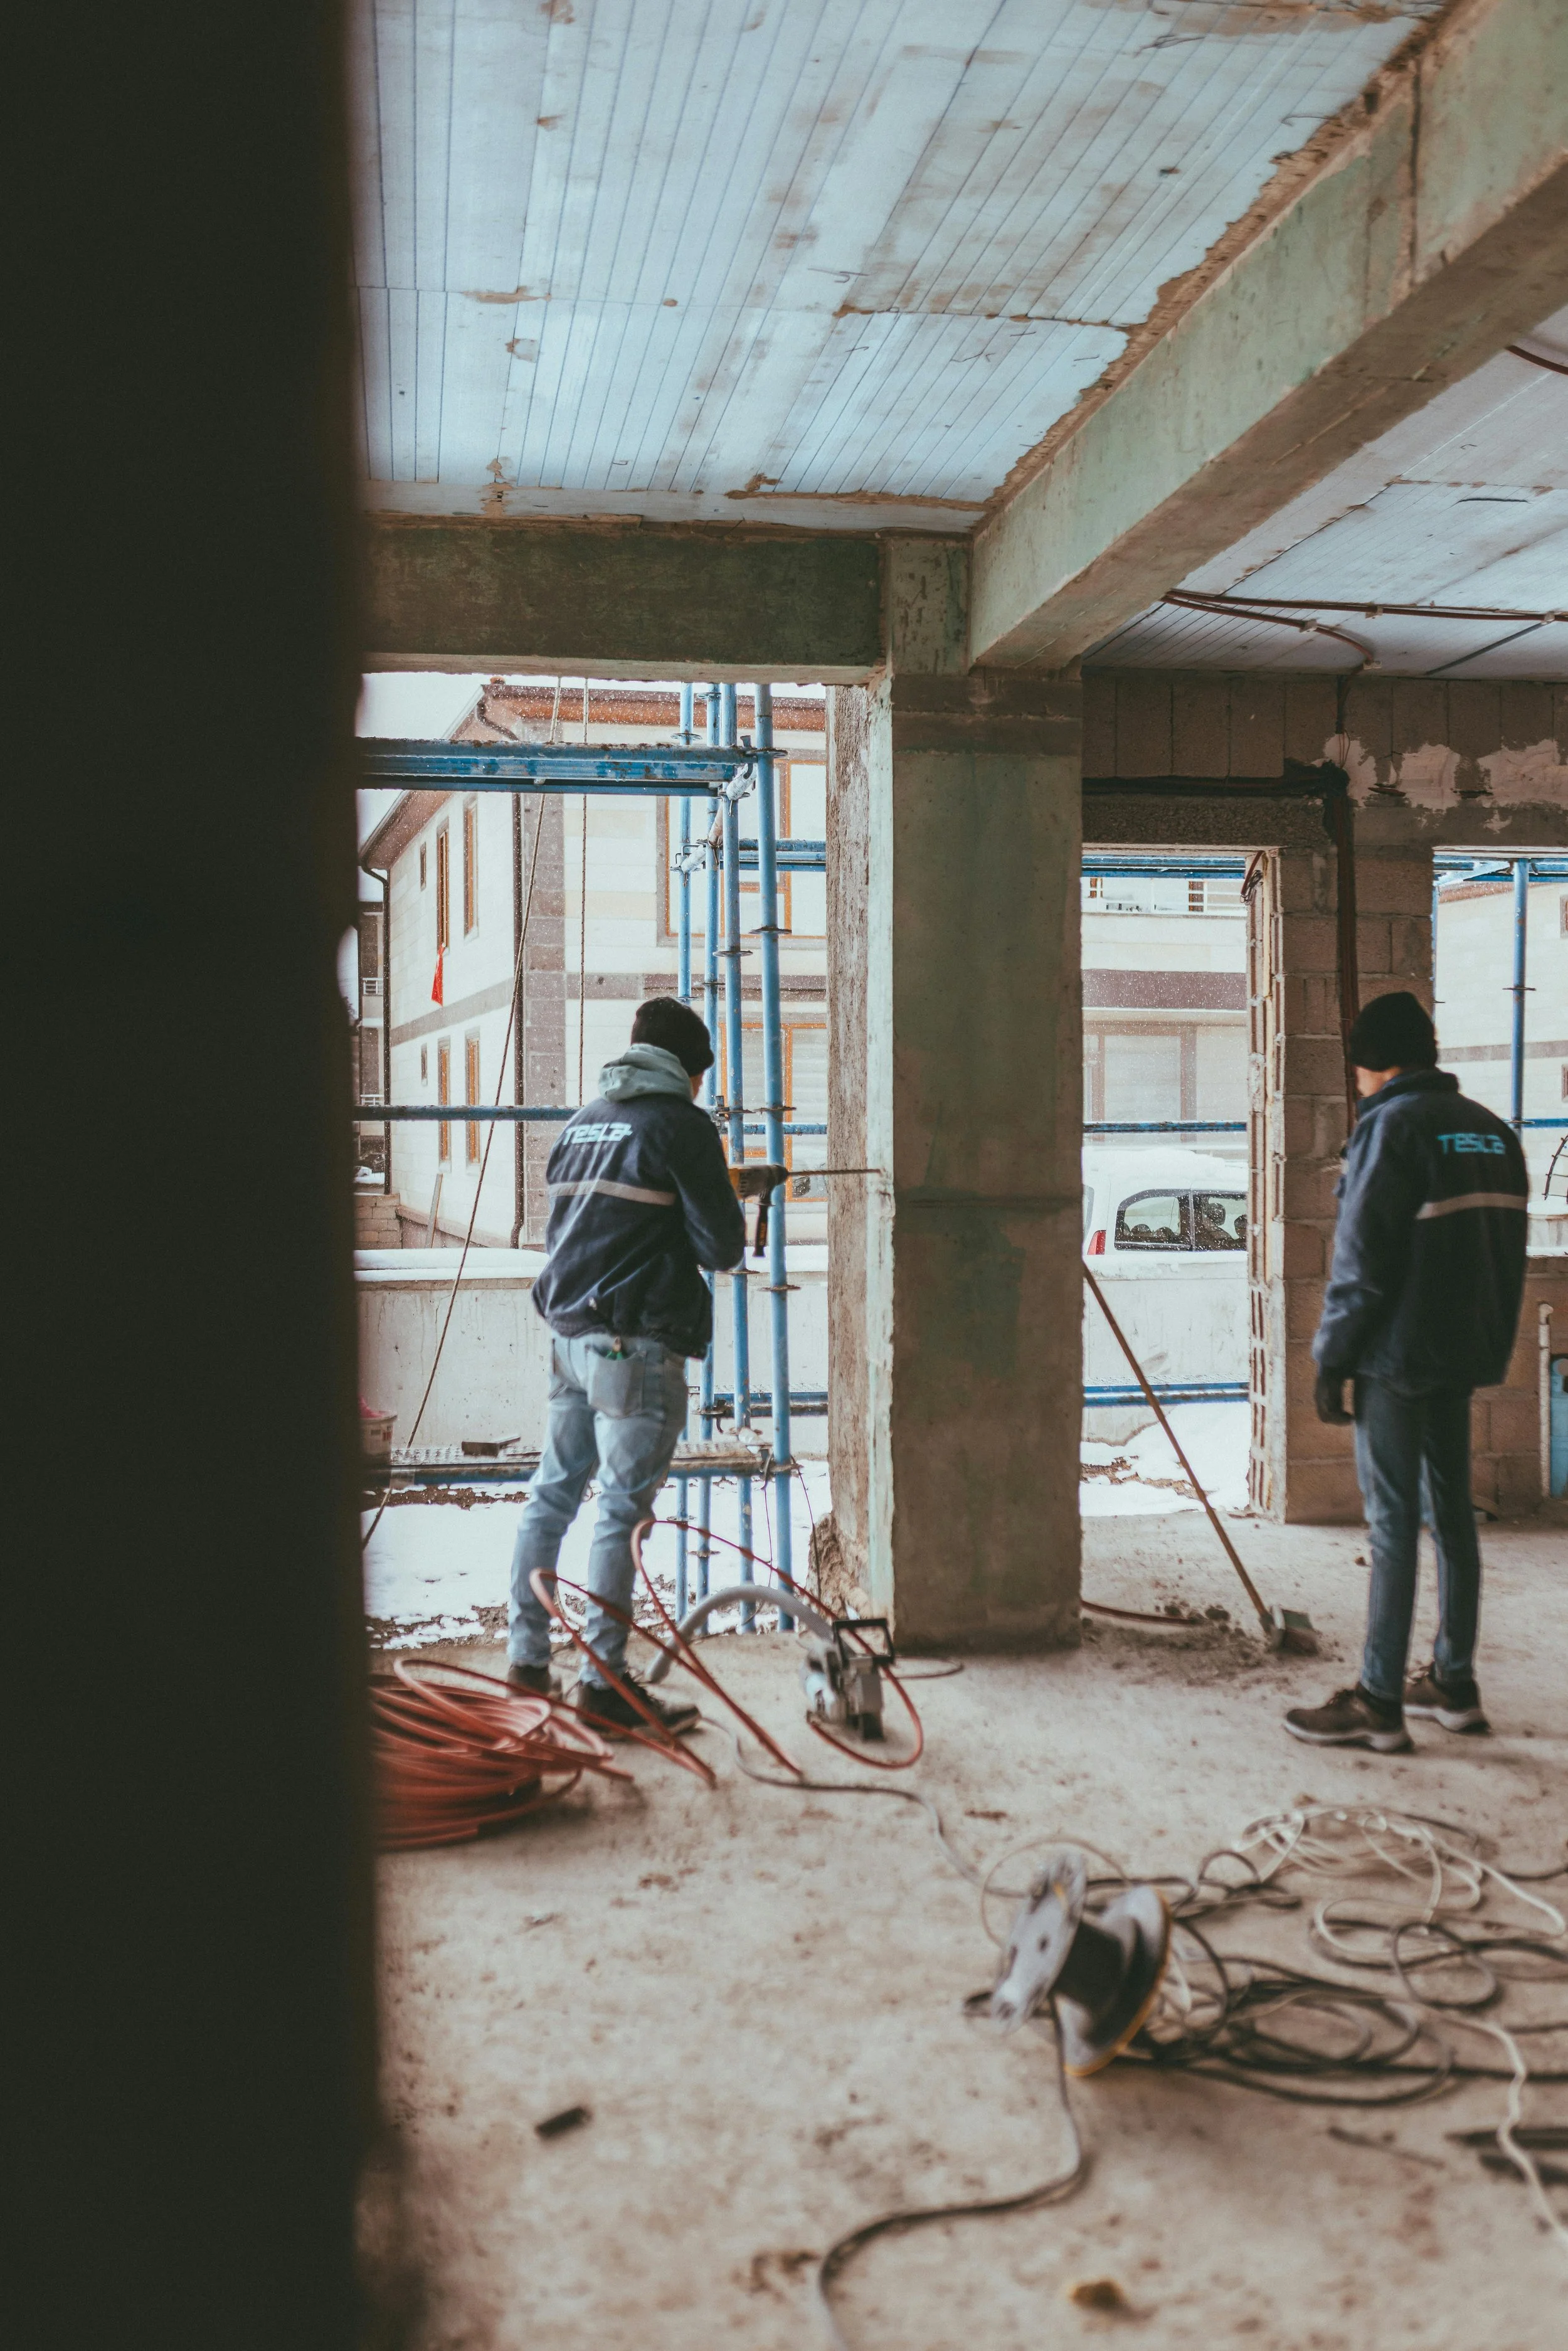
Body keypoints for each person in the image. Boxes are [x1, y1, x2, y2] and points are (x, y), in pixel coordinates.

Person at [506, 997, 783, 1735]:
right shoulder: (684, 1125)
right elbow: (720, 1249)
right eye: (699, 1080)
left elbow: (613, 1215)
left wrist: (722, 1183)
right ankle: (603, 1686)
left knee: (553, 1495)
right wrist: (723, 1190)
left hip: (569, 1339)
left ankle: (526, 1663)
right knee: (620, 1513)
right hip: (635, 1347)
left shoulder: (584, 1120)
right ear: (689, 1072)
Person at [1285, 991, 1528, 1754]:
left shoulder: (1388, 1127)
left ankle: (1378, 1700)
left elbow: (1361, 1262)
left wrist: (1332, 1357)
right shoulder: (1492, 1131)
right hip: (1463, 1354)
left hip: (1396, 1358)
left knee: (1392, 1525)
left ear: (1370, 1063)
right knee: (1452, 1514)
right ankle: (1453, 1683)